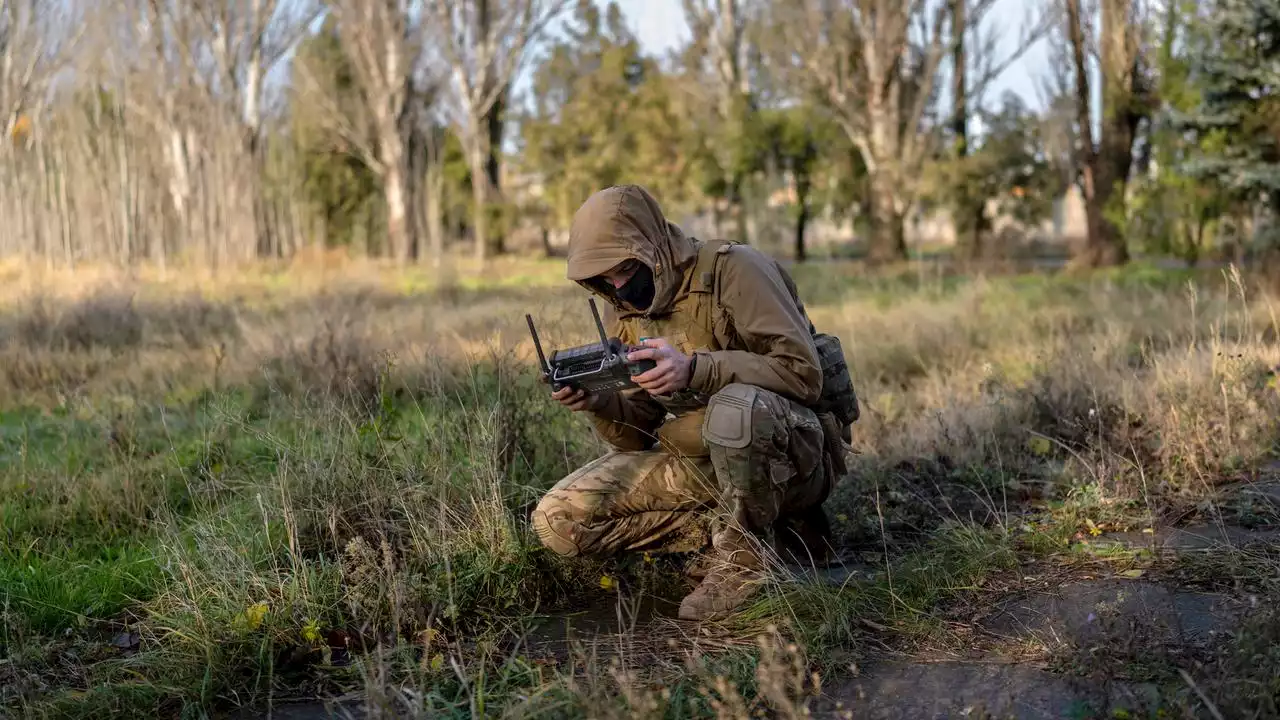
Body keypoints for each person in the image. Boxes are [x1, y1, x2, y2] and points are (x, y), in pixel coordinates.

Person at [530, 184, 854, 622]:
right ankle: (755, 538)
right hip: (707, 456)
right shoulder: (623, 307)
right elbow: (637, 434)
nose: (618, 286)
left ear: (652, 243)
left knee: (734, 409)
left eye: (625, 268)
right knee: (557, 520)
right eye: (604, 278)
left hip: (798, 454)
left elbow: (804, 374)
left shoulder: (736, 270)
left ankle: (745, 559)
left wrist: (695, 369)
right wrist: (598, 401)